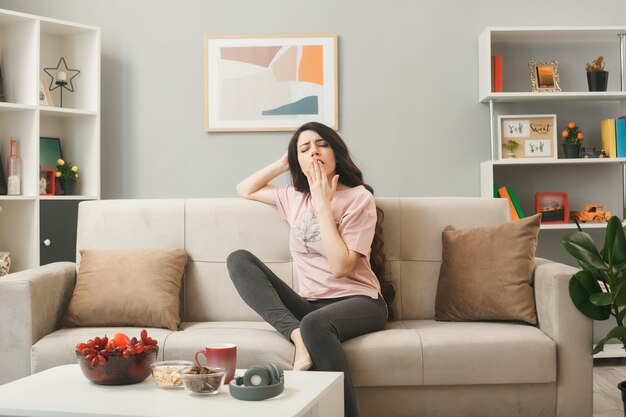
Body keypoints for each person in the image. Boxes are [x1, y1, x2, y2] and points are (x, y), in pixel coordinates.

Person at [227, 121, 394, 417]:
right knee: (239, 259)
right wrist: (284, 162)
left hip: (360, 302)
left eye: (322, 144)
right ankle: (297, 336)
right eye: (305, 149)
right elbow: (244, 188)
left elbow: (342, 267)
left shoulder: (359, 198)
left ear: (336, 153)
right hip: (311, 306)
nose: (314, 152)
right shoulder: (294, 196)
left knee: (315, 324)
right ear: (298, 161)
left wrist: (323, 206)